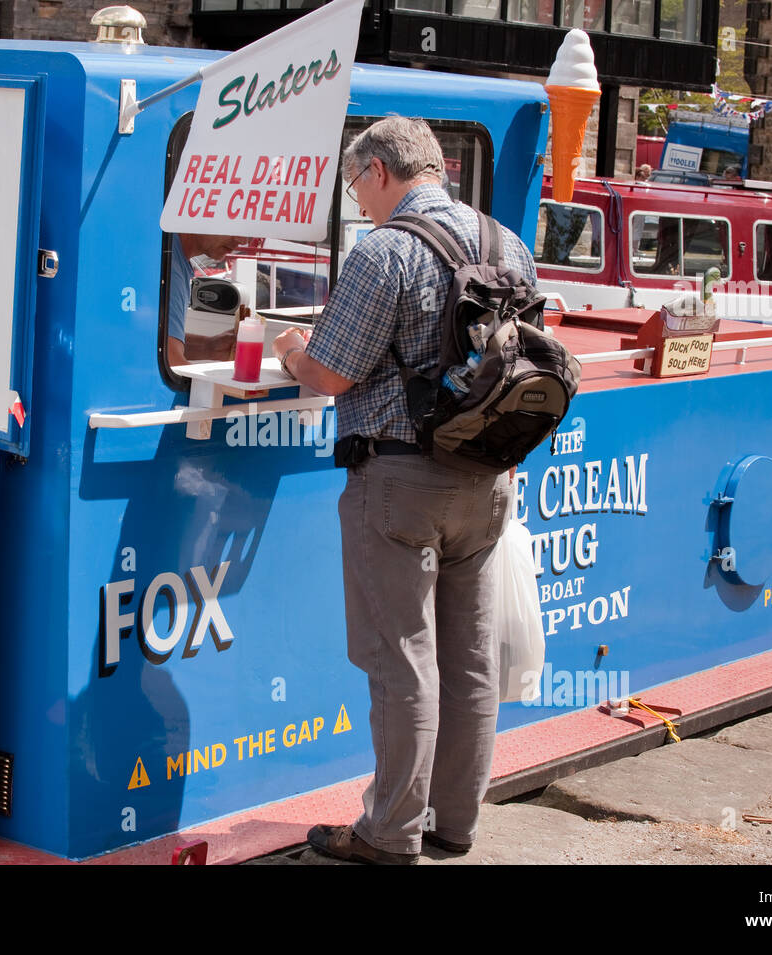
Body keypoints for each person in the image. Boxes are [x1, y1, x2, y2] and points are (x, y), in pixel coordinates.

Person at [270, 117, 535, 865]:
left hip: (398, 479)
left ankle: (389, 833)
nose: (359, 200)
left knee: (402, 660)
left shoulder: (384, 251)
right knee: (470, 657)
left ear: (380, 170)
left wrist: (292, 348)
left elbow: (331, 373)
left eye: (356, 185)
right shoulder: (503, 242)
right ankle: (454, 825)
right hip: (486, 476)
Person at [165, 232, 250, 367]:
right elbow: (171, 364)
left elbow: (155, 341)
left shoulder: (169, 250)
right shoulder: (170, 268)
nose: (242, 239)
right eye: (233, 221)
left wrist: (208, 347)